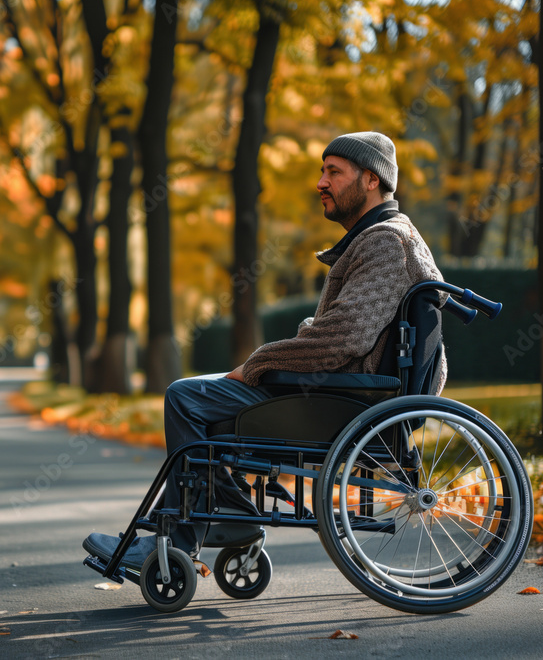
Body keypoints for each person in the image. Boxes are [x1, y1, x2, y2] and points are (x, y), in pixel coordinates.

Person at [83, 131, 446, 569]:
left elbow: (345, 336)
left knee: (185, 396)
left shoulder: (385, 241)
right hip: (342, 394)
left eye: (334, 172)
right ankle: (226, 518)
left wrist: (258, 364)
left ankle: (182, 540)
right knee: (207, 409)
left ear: (372, 180)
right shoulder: (386, 239)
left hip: (336, 401)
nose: (321, 183)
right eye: (321, 171)